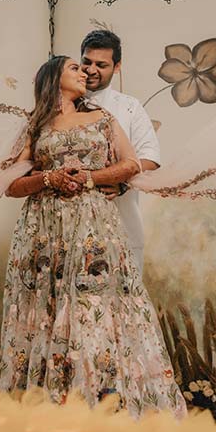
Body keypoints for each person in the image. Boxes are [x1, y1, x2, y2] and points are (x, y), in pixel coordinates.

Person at [0, 56, 186, 420]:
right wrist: (48, 178)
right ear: (53, 77)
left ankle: (106, 406)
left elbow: (131, 163)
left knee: (95, 307)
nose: (83, 72)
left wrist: (91, 178)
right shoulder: (34, 126)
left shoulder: (103, 118)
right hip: (45, 231)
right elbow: (11, 186)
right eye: (74, 68)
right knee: (48, 310)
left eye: (84, 69)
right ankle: (49, 407)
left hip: (94, 227)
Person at [79, 30, 160, 272]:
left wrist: (121, 181)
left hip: (121, 222)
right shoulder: (62, 105)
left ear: (117, 67)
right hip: (70, 227)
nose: (91, 70)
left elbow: (150, 157)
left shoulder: (129, 107)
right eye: (86, 62)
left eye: (101, 65)